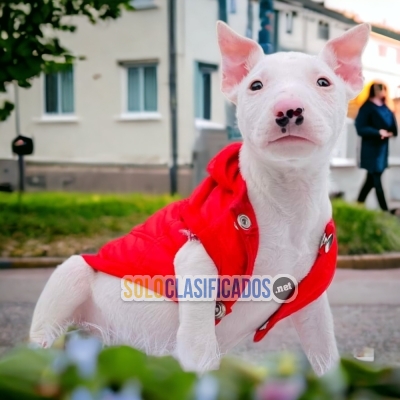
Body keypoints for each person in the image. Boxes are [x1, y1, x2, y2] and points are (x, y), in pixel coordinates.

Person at [355, 82, 398, 213]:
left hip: (382, 150)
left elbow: (393, 126)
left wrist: (390, 132)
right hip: (370, 150)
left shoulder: (386, 107)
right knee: (376, 180)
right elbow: (360, 127)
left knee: (370, 181)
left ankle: (357, 205)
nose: (382, 92)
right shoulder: (367, 107)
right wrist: (378, 132)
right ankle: (385, 211)